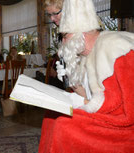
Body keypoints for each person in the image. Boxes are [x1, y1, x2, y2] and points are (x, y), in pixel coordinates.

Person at [39, 0, 134, 152]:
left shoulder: (116, 49)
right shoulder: (85, 55)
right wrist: (73, 85)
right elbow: (91, 94)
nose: (63, 43)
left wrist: (81, 102)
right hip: (104, 113)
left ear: (80, 33)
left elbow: (124, 111)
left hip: (123, 128)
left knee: (65, 125)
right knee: (51, 115)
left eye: (65, 36)